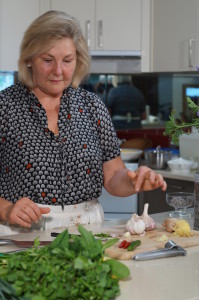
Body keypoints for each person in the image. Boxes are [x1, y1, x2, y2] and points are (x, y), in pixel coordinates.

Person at [0, 10, 167, 235]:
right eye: (47, 60)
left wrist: (135, 181)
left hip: (88, 232)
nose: (58, 71)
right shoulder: (5, 107)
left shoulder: (92, 106)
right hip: (22, 235)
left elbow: (113, 176)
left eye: (67, 60)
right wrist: (7, 208)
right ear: (29, 59)